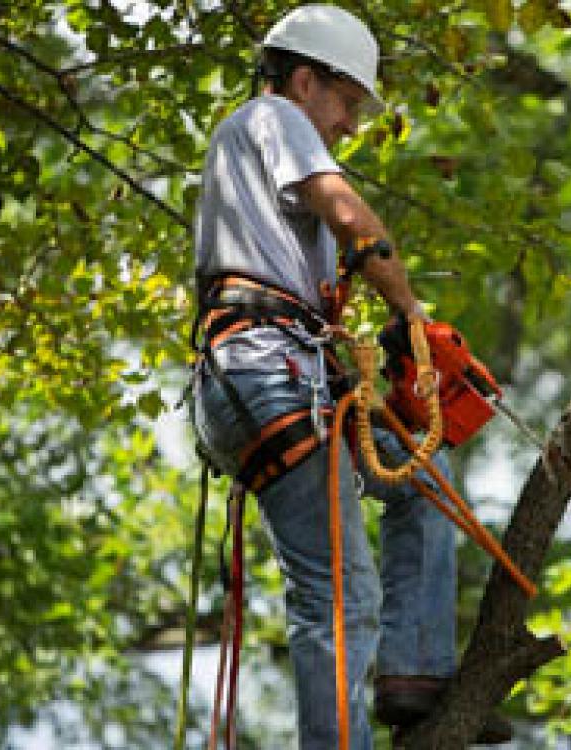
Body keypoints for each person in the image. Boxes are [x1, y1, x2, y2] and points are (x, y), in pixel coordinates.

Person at [190, 5, 511, 747]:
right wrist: (411, 313)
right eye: (346, 103)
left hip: (276, 369)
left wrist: (381, 341)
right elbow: (348, 214)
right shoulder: (274, 117)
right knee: (338, 593)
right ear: (306, 80)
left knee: (425, 476)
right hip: (264, 370)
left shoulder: (256, 154)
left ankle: (416, 673)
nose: (349, 125)